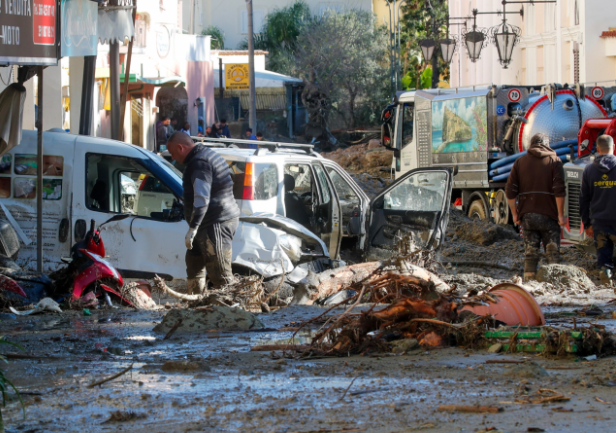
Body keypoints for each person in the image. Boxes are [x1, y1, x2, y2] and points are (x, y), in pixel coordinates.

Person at [166, 132, 241, 294]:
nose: (172, 157)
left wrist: (193, 228)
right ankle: (197, 304)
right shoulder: (205, 155)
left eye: (172, 153)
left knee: (220, 274)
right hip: (210, 222)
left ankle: (235, 312)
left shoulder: (199, 163)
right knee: (194, 264)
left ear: (181, 147)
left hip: (215, 222)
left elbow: (202, 197)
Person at [505, 133, 566, 282]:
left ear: (531, 145)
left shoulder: (520, 162)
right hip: (549, 217)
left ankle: (530, 285)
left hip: (528, 217)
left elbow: (510, 191)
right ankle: (554, 285)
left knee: (530, 254)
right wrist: (560, 215)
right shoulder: (555, 161)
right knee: (552, 253)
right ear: (547, 144)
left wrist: (514, 214)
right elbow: (559, 190)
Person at [579, 134, 616, 284]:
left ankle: (605, 272)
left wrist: (587, 223)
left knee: (604, 254)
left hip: (599, 222)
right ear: (613, 147)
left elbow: (583, 199)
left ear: (598, 149)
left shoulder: (589, 170)